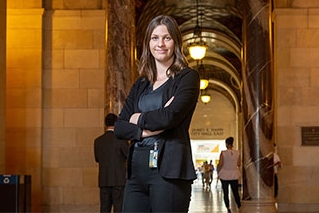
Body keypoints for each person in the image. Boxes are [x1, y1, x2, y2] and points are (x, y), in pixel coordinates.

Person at [114, 15, 200, 212]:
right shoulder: (141, 83)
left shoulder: (187, 77)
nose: (160, 44)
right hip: (136, 170)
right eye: (155, 38)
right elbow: (120, 127)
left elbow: (169, 117)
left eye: (167, 38)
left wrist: (138, 118)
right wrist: (145, 131)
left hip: (169, 169)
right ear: (148, 43)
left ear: (176, 42)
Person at [94, 113, 129, 213]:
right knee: (119, 208)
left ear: (105, 124)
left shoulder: (98, 141)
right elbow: (129, 155)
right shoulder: (121, 140)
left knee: (104, 208)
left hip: (104, 180)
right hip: (118, 180)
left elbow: (97, 159)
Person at [217, 137, 241, 213]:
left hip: (224, 174)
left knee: (226, 193)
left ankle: (228, 208)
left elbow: (220, 164)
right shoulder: (237, 152)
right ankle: (239, 206)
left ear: (226, 144)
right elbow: (239, 164)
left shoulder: (223, 153)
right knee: (236, 192)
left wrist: (218, 171)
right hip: (234, 174)